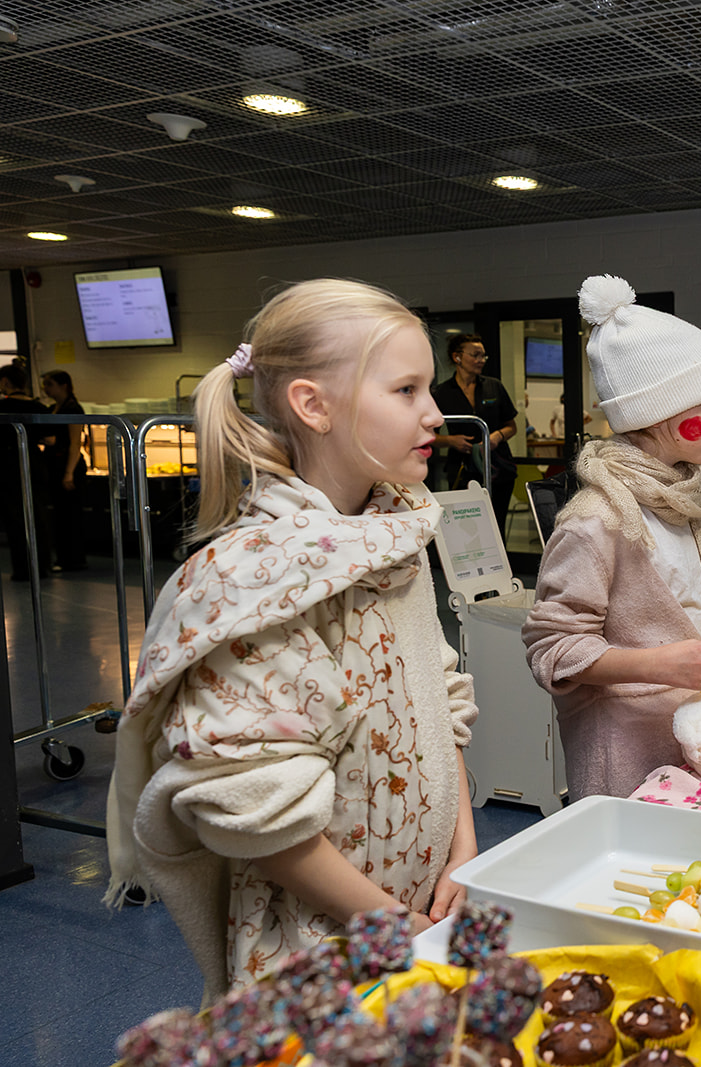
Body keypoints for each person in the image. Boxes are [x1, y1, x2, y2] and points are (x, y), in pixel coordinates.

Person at [104, 279, 481, 1003]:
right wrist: (390, 924)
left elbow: (439, 702)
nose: (434, 412)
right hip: (321, 943)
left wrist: (462, 850)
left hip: (424, 905)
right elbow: (254, 803)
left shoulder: (393, 535)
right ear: (314, 405)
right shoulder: (256, 578)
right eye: (406, 389)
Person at [523, 275, 701, 801]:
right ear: (659, 413)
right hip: (622, 748)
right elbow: (552, 648)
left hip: (688, 730)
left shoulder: (685, 499)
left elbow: (673, 601)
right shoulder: (596, 519)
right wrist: (658, 664)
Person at [432, 332, 519, 533]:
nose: (481, 360)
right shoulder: (441, 393)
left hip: (497, 468)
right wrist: (450, 440)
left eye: (483, 356)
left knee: (496, 526)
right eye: (475, 355)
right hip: (462, 469)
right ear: (457, 357)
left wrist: (496, 436)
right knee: (466, 529)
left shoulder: (493, 386)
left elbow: (512, 426)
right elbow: (429, 436)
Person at [0, 363, 50, 583]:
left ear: (5, 382)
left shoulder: (3, 407)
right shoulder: (39, 407)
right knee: (38, 515)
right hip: (34, 461)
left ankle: (22, 568)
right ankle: (42, 565)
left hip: (8, 464)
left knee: (15, 518)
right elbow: (50, 439)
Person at [40, 369, 88, 572]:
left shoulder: (73, 409)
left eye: (49, 384)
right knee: (59, 514)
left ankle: (73, 558)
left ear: (63, 386)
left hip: (68, 465)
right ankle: (62, 556)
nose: (46, 389)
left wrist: (69, 472)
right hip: (54, 464)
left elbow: (75, 443)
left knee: (70, 514)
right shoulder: (52, 408)